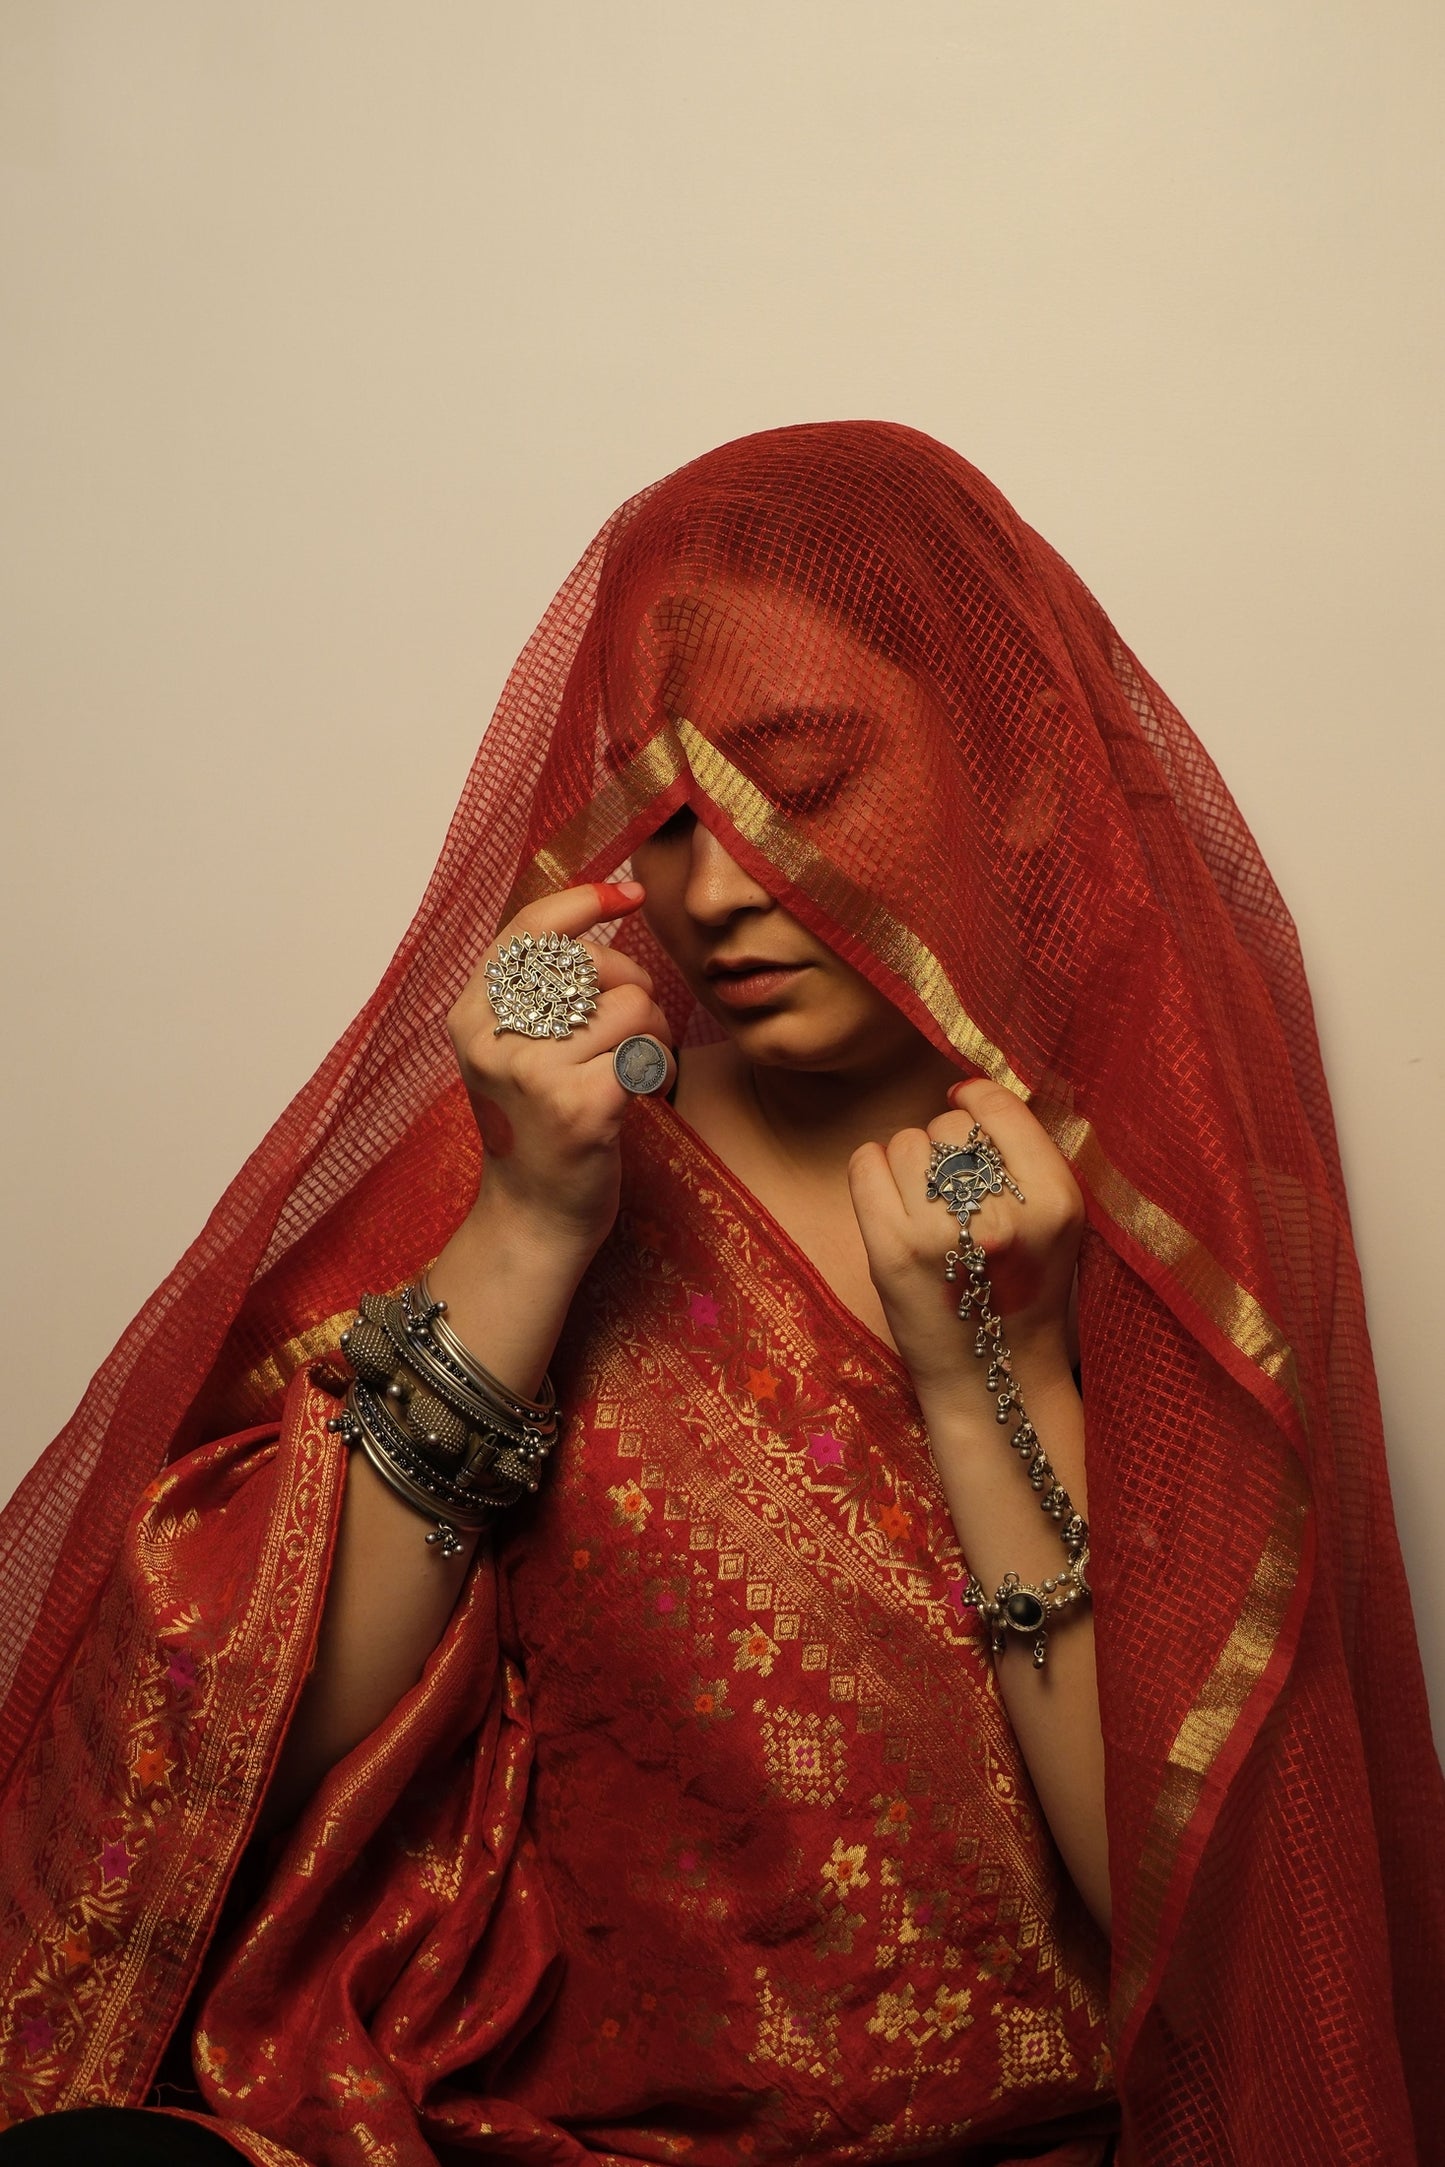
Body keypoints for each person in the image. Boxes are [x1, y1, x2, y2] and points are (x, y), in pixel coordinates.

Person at [0, 422, 1438, 2165]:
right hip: (490, 2129)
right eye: (671, 811)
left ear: (1023, 780)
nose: (718, 884)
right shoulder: (570, 1139)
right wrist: (531, 1223)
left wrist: (987, 1380)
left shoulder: (1155, 1216)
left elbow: (1198, 1927)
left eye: (801, 786)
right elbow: (248, 1752)